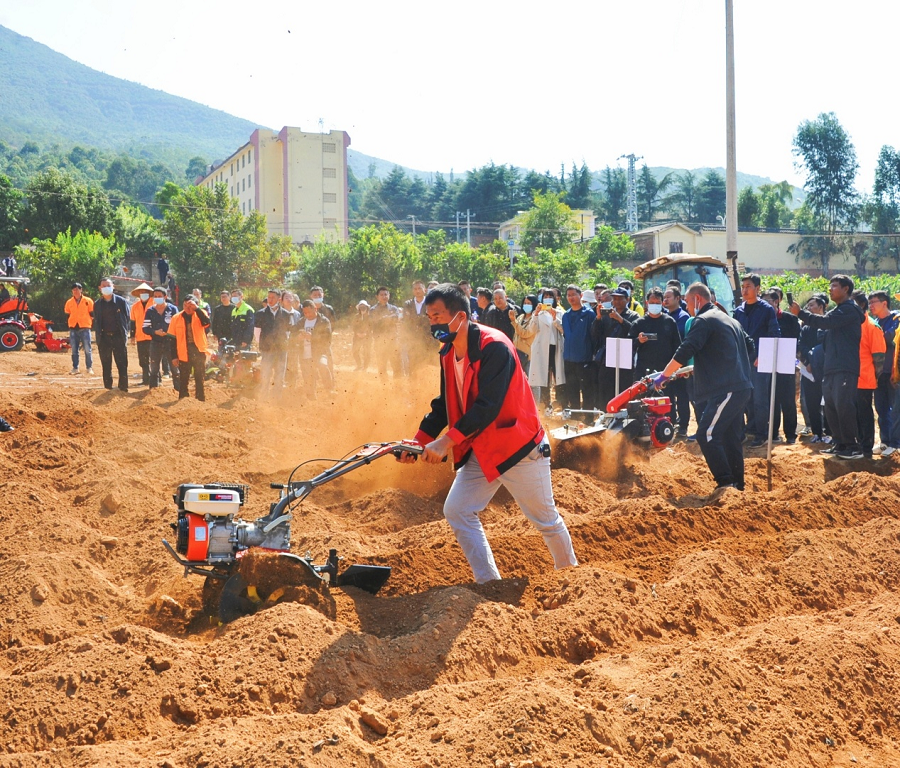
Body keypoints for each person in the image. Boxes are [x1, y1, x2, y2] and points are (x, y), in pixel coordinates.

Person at [396, 283, 578, 584]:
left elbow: (487, 406)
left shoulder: (496, 347)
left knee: (545, 519)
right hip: (482, 448)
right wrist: (419, 442)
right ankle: (489, 583)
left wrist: (446, 441)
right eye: (429, 317)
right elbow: (444, 403)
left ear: (460, 316)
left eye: (438, 316)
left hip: (519, 447)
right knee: (457, 510)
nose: (433, 323)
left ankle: (572, 577)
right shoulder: (448, 352)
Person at [654, 283, 755, 499]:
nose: (688, 308)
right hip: (739, 386)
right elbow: (750, 347)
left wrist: (664, 375)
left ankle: (725, 482)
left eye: (689, 303)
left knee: (706, 434)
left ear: (698, 299)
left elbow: (686, 349)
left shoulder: (703, 320)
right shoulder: (731, 320)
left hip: (727, 389)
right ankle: (737, 487)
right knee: (729, 438)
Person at [789, 275, 865, 460]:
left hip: (845, 367)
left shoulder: (849, 310)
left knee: (843, 405)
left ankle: (853, 446)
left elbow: (825, 323)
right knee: (831, 405)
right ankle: (839, 443)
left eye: (834, 286)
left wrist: (801, 313)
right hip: (831, 367)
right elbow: (824, 330)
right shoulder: (838, 311)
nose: (830, 289)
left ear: (846, 289)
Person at [733, 274, 781, 447]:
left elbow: (775, 334)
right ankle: (748, 430)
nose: (744, 290)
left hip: (760, 361)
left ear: (757, 288)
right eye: (743, 287)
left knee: (760, 399)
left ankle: (762, 434)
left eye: (748, 286)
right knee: (744, 399)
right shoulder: (738, 311)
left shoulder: (766, 309)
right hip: (742, 362)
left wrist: (763, 355)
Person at [764, 287, 801, 444]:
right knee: (771, 399)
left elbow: (797, 341)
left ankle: (791, 434)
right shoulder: (762, 319)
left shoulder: (789, 319)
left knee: (787, 400)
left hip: (786, 362)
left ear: (776, 302)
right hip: (767, 363)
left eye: (767, 302)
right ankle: (773, 433)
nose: (764, 305)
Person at [592, 287, 638, 411]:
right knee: (605, 389)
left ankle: (623, 417)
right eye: (615, 299)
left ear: (627, 299)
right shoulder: (607, 315)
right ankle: (605, 416)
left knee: (624, 389)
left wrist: (620, 319)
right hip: (607, 358)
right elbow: (595, 334)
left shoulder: (633, 316)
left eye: (620, 299)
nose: (617, 302)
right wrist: (598, 318)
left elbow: (634, 332)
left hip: (625, 358)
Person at [852, 291, 886, 457]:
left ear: (861, 305)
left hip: (865, 379)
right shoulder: (853, 325)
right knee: (855, 414)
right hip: (852, 378)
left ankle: (866, 448)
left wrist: (877, 378)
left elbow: (879, 357)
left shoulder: (872, 327)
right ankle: (858, 445)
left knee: (864, 414)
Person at [867, 291, 900, 456]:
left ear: (885, 303)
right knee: (881, 409)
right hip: (878, 373)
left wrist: (874, 334)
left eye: (874, 302)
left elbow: (889, 338)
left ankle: (896, 444)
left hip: (894, 372)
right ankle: (885, 442)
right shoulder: (876, 322)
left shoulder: (896, 319)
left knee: (896, 410)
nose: (871, 306)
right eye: (869, 303)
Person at [797, 295, 829, 443]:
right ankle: (817, 432)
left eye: (811, 305)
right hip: (809, 371)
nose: (808, 308)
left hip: (827, 371)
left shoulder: (829, 325)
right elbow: (801, 345)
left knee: (828, 403)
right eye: (807, 306)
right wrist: (808, 362)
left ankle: (829, 432)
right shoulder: (806, 327)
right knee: (812, 402)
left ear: (821, 307)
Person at [630, 288, 680, 379]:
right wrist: (639, 340)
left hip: (665, 371)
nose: (655, 305)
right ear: (647, 302)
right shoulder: (639, 323)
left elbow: (677, 346)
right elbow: (629, 345)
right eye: (652, 303)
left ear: (662, 303)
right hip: (643, 370)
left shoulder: (669, 321)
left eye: (657, 303)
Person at [528, 288, 565, 407]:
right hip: (542, 350)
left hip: (556, 348)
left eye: (550, 297)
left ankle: (561, 404)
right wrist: (536, 314)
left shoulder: (560, 312)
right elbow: (531, 330)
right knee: (544, 379)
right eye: (545, 297)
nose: (547, 299)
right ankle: (546, 406)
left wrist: (555, 319)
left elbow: (563, 330)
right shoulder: (538, 313)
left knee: (559, 377)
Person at [168, 296, 210, 401]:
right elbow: (171, 339)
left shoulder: (201, 313)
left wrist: (196, 309)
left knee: (199, 376)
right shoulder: (176, 318)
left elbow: (206, 323)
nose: (187, 308)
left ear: (195, 305)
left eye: (190, 306)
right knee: (183, 377)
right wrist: (174, 356)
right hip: (183, 351)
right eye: (185, 305)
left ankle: (200, 399)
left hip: (198, 350)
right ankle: (183, 398)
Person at [561, 285, 595, 410]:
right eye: (569, 295)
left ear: (581, 296)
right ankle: (575, 416)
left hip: (584, 360)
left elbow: (594, 336)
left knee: (587, 390)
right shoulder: (566, 315)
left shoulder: (589, 314)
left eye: (573, 294)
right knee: (572, 390)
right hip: (569, 360)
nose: (571, 297)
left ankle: (588, 417)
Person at [663, 285, 692, 435]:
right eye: (664, 297)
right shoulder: (664, 316)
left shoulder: (683, 317)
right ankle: (670, 423)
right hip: (666, 363)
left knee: (682, 396)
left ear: (678, 298)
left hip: (680, 364)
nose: (665, 300)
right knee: (668, 396)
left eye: (668, 297)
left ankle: (683, 427)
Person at [93, 278, 130, 392]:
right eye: (103, 286)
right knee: (106, 363)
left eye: (108, 285)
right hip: (104, 337)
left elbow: (127, 318)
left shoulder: (121, 302)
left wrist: (125, 333)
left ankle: (123, 388)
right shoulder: (97, 304)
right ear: (100, 288)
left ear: (113, 286)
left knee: (122, 363)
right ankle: (108, 387)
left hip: (118, 336)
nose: (106, 288)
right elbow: (97, 321)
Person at [255, 289, 291, 396]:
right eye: (269, 297)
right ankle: (264, 396)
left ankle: (277, 397)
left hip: (281, 349)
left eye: (273, 298)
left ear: (279, 299)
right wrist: (262, 345)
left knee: (280, 375)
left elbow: (288, 331)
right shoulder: (261, 314)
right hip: (267, 349)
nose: (270, 300)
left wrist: (284, 344)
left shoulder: (285, 314)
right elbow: (257, 331)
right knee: (265, 374)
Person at [143, 286, 179, 389]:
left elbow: (178, 325)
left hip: (171, 343)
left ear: (165, 296)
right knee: (154, 368)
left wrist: (170, 333)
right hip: (156, 342)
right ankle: (154, 390)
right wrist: (155, 332)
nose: (157, 298)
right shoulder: (150, 311)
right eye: (155, 296)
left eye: (159, 296)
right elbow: (145, 328)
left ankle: (179, 391)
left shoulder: (173, 309)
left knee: (175, 368)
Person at [298, 299, 334, 399]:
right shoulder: (301, 321)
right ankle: (311, 396)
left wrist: (312, 337)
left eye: (309, 312)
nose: (307, 314)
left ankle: (329, 389)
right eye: (305, 312)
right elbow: (294, 334)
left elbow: (327, 337)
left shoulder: (323, 321)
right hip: (305, 352)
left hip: (319, 352)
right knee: (308, 375)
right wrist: (298, 338)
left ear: (315, 309)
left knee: (322, 365)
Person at [370, 286, 403, 377]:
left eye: (386, 294)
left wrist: (383, 319)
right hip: (379, 342)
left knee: (397, 366)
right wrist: (387, 319)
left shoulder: (394, 308)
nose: (384, 296)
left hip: (393, 341)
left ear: (389, 295)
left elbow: (396, 318)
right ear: (377, 296)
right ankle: (384, 387)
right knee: (382, 367)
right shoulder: (373, 310)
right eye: (381, 295)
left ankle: (398, 387)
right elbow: (374, 323)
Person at [64, 282, 94, 375]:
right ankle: (75, 368)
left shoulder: (88, 301)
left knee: (87, 349)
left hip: (85, 327)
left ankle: (89, 367)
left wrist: (88, 322)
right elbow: (67, 314)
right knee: (74, 349)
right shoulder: (69, 302)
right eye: (73, 290)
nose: (75, 291)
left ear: (81, 290)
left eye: (77, 289)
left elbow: (92, 314)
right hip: (73, 328)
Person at [403, 280, 433, 370]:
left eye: (420, 288)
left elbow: (431, 319)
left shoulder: (430, 303)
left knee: (427, 364)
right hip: (413, 339)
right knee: (412, 364)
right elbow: (407, 320)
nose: (417, 291)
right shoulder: (408, 304)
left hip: (428, 338)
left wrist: (416, 318)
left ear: (425, 290)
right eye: (415, 289)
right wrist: (423, 318)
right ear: (412, 291)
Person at [128, 282, 154, 386]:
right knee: (143, 360)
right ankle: (146, 379)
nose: (143, 294)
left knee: (154, 359)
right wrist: (132, 336)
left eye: (145, 292)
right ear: (138, 294)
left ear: (149, 293)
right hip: (140, 336)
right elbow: (132, 322)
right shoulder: (135, 306)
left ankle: (156, 379)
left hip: (152, 336)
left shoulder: (154, 304)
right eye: (142, 292)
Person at [512, 293, 539, 375]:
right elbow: (516, 333)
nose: (526, 305)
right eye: (525, 303)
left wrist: (513, 321)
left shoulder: (535, 319)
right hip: (517, 353)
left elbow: (526, 333)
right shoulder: (521, 317)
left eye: (529, 303)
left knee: (530, 380)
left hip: (527, 355)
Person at [352, 300, 373, 371]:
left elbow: (371, 326)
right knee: (355, 351)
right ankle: (359, 365)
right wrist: (357, 333)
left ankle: (365, 367)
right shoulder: (356, 317)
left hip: (367, 337)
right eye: (361, 307)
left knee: (367, 352)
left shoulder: (370, 317)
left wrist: (366, 333)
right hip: (357, 336)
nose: (362, 308)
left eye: (364, 307)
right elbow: (353, 326)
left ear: (367, 307)